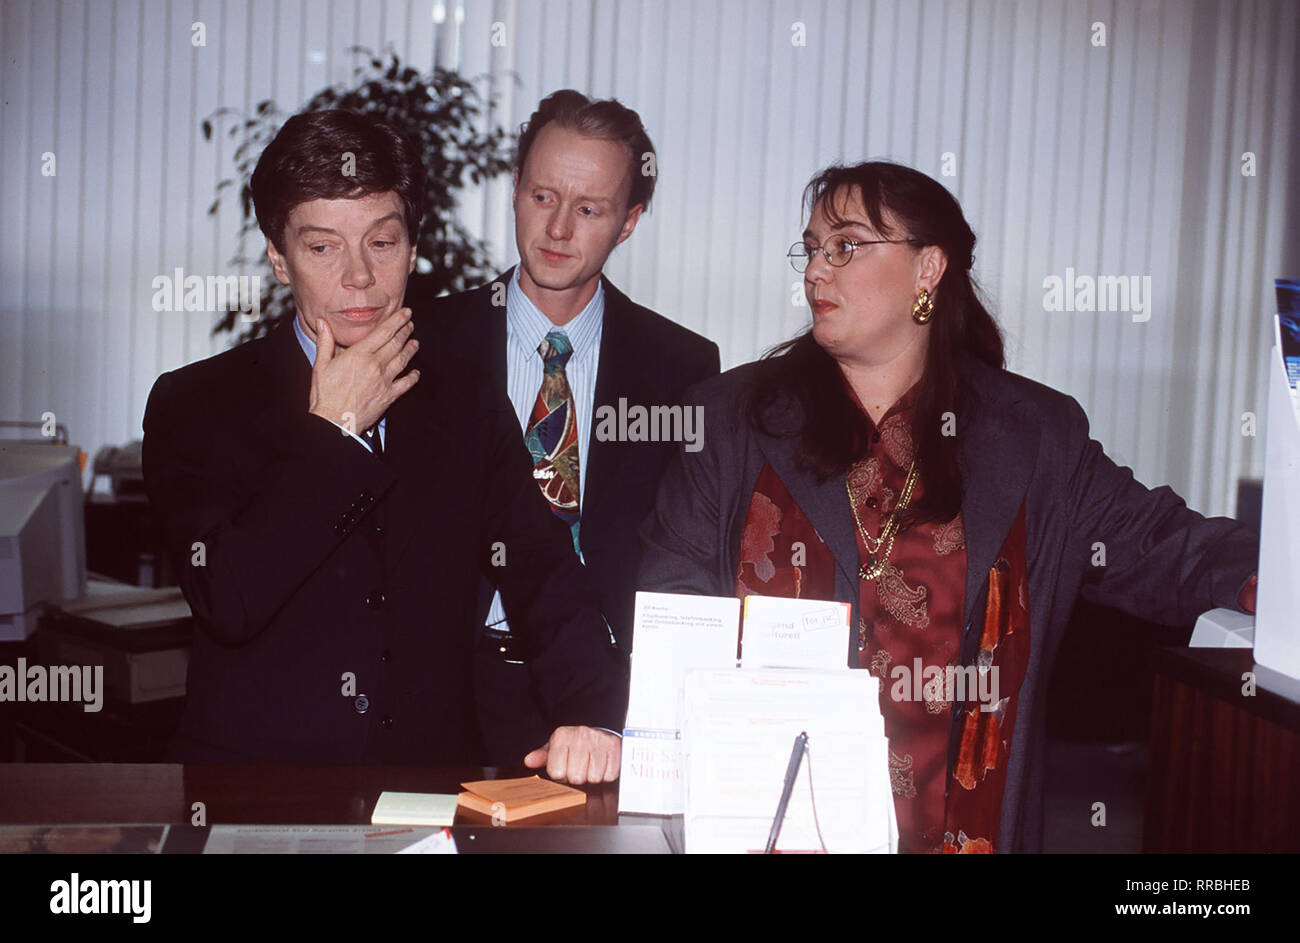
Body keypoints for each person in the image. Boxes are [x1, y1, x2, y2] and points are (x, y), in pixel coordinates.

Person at [638, 160, 1259, 852]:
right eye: (811, 248)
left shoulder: (1033, 436)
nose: (816, 270)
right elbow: (675, 599)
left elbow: (1161, 542)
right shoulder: (732, 417)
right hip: (767, 823)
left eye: (844, 246)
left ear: (928, 268)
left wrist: (1276, 575)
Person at [142, 109, 625, 783]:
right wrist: (333, 432)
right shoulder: (197, 403)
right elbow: (227, 596)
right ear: (280, 257)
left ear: (411, 245)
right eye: (322, 248)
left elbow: (544, 574)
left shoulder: (462, 398)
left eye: (382, 241)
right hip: (255, 791)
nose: (361, 278)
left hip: (427, 790)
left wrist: (594, 716)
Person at [418, 90, 719, 764]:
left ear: (630, 220)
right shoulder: (424, 346)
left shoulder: (683, 368)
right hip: (442, 688)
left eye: (589, 209)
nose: (557, 230)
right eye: (543, 197)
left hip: (608, 698)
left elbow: (686, 558)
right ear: (516, 189)